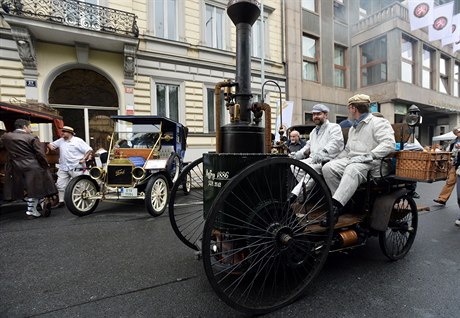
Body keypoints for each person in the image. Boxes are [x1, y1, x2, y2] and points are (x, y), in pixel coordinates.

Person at [322, 94, 396, 222]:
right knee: (328, 168)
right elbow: (347, 151)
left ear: (353, 108)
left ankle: (335, 207)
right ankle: (344, 201)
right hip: (355, 161)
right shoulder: (353, 128)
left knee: (352, 168)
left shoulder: (378, 122)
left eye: (349, 108)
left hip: (375, 163)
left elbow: (389, 144)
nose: (349, 111)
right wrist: (333, 160)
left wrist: (369, 155)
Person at [1, 119, 58, 219]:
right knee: (35, 187)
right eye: (30, 127)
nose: (30, 129)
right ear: (25, 127)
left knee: (30, 188)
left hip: (15, 166)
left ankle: (40, 203)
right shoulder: (32, 137)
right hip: (32, 165)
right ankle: (31, 211)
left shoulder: (6, 137)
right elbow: (40, 154)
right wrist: (45, 165)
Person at [289, 104, 344, 201]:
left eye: (318, 114)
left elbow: (335, 143)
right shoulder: (313, 132)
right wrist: (298, 154)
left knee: (311, 170)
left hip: (328, 160)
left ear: (325, 115)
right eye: (314, 114)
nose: (315, 117)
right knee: (294, 166)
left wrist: (323, 153)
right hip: (314, 160)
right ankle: (310, 190)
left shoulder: (334, 127)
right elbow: (307, 146)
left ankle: (296, 195)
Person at [48, 126, 93, 208]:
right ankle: (61, 201)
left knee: (81, 184)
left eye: (64, 132)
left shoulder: (78, 141)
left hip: (76, 166)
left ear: (70, 133)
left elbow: (89, 149)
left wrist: (84, 158)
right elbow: (51, 145)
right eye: (62, 131)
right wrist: (55, 150)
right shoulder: (61, 141)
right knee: (60, 184)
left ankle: (86, 198)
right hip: (63, 166)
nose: (62, 133)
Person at [433, 127, 460, 205]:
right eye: (457, 132)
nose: (458, 133)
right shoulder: (453, 143)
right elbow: (449, 152)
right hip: (455, 164)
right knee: (450, 181)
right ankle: (442, 199)